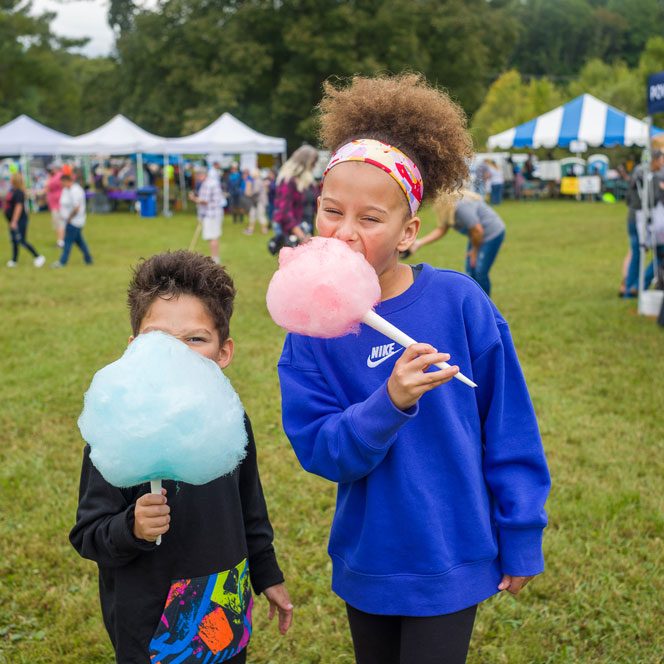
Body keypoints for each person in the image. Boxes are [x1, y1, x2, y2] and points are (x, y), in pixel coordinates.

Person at [277, 74, 550, 664]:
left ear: (409, 234)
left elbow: (508, 423)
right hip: (371, 558)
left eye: (370, 219)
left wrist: (521, 531)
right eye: (331, 211)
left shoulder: (460, 303)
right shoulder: (311, 331)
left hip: (453, 550)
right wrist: (389, 401)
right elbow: (321, 450)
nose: (345, 233)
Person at [69, 250, 293, 663]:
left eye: (194, 339)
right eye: (158, 341)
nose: (175, 356)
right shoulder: (118, 428)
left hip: (225, 600)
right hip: (151, 622)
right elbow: (88, 534)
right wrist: (131, 527)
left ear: (223, 352)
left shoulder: (230, 420)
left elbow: (250, 507)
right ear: (134, 347)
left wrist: (267, 574)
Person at [410, 189, 506, 296]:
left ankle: (485, 305)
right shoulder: (449, 209)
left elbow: (478, 230)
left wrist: (474, 251)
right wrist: (418, 243)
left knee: (480, 272)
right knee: (470, 270)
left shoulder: (460, 207)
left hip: (491, 234)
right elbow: (442, 229)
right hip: (476, 236)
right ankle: (473, 299)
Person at [622, 149, 664, 297]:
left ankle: (629, 289)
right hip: (649, 221)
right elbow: (655, 199)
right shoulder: (655, 176)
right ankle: (639, 286)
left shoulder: (637, 172)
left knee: (637, 253)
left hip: (633, 216)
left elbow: (627, 198)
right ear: (656, 160)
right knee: (660, 255)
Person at [272, 145, 318, 244]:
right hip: (293, 234)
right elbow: (284, 211)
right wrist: (301, 235)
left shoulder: (309, 182)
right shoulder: (288, 181)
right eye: (314, 163)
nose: (315, 166)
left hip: (307, 229)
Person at [4, 172, 45, 268]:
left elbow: (19, 207)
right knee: (14, 240)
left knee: (21, 240)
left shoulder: (19, 192)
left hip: (19, 220)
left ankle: (38, 256)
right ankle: (14, 260)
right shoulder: (12, 190)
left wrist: (14, 221)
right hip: (12, 220)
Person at [52, 173, 93, 267]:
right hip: (70, 220)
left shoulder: (76, 190)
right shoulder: (66, 190)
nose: (61, 184)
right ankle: (88, 259)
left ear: (67, 181)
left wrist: (69, 218)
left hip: (74, 221)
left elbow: (77, 207)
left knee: (67, 242)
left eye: (62, 182)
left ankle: (62, 262)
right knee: (80, 242)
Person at [189, 166, 225, 264]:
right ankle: (215, 258)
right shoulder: (211, 182)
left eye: (197, 175)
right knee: (213, 237)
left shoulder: (208, 184)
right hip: (214, 214)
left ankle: (215, 259)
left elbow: (204, 201)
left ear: (201, 174)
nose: (196, 177)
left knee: (212, 237)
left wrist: (193, 198)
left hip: (211, 215)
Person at [244, 169, 270, 235]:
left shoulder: (257, 181)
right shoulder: (258, 181)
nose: (251, 175)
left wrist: (249, 192)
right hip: (256, 201)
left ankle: (264, 230)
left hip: (260, 201)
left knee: (260, 215)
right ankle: (251, 229)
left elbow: (256, 191)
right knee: (252, 214)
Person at [45, 163, 65, 247]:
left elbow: (47, 187)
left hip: (58, 204)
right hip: (56, 204)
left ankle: (60, 241)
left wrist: (49, 178)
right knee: (58, 223)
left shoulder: (57, 177)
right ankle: (60, 240)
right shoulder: (57, 176)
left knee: (59, 223)